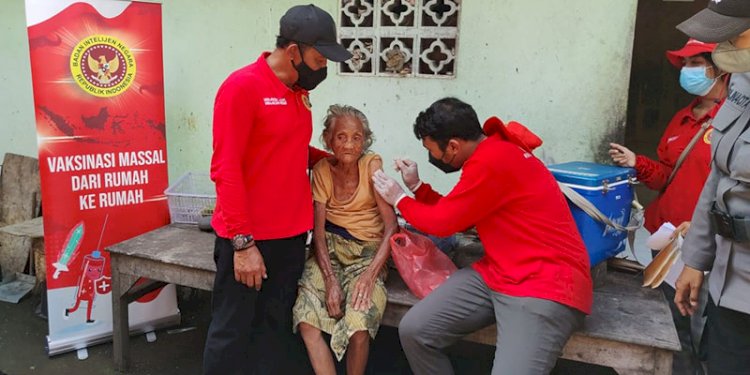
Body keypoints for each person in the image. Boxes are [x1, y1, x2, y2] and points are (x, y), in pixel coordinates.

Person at [372, 97, 593, 375]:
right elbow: (460, 214)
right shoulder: (493, 153)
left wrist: (399, 198)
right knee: (416, 330)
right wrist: (417, 187)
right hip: (499, 272)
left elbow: (442, 224)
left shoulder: (492, 161)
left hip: (543, 285)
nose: (434, 158)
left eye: (433, 151)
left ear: (453, 145)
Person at [203, 5, 351, 375]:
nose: (324, 69)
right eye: (320, 59)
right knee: (232, 333)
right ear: (293, 51)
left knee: (273, 332)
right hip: (250, 240)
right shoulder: (243, 87)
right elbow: (227, 168)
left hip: (289, 238)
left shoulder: (298, 92)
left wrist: (332, 160)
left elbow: (287, 149)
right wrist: (242, 243)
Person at [609, 39, 726, 375]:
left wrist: (706, 228)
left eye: (694, 63)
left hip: (708, 244)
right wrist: (637, 162)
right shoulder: (682, 118)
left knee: (704, 330)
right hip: (668, 243)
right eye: (685, 64)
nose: (687, 71)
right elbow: (664, 177)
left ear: (717, 67)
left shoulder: (733, 119)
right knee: (673, 324)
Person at [673, 1, 750, 374]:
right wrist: (696, 259)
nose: (724, 46)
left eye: (734, 34)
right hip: (729, 283)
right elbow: (719, 175)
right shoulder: (743, 80)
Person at [292, 105, 398, 375]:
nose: (349, 144)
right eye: (341, 137)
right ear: (328, 140)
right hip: (328, 250)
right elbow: (318, 232)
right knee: (307, 320)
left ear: (365, 141)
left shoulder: (371, 165)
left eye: (356, 138)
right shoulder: (322, 170)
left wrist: (370, 276)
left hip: (367, 255)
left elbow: (391, 227)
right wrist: (329, 280)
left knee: (359, 325)